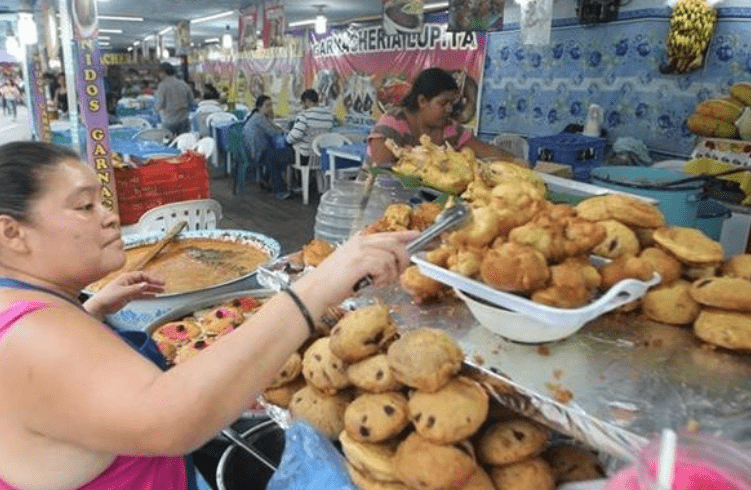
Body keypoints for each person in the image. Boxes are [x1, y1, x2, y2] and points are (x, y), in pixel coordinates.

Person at [0, 140, 417, 490]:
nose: (109, 216)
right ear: (11, 233)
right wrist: (315, 288)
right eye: (85, 207)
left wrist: (88, 312)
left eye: (101, 201)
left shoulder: (25, 307)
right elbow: (170, 421)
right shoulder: (32, 337)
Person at [368, 67, 524, 166]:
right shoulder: (393, 124)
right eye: (443, 103)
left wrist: (518, 162)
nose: (449, 109)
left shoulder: (449, 128)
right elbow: (381, 171)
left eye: (452, 103)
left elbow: (483, 150)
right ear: (422, 101)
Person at [242, 95, 292, 200]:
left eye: (271, 105)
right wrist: (285, 131)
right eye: (267, 105)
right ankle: (281, 189)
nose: (270, 108)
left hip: (256, 150)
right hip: (257, 151)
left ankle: (266, 179)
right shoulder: (259, 118)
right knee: (280, 156)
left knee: (275, 156)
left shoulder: (258, 116)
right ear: (259, 107)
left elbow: (274, 127)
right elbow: (273, 132)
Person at [286, 89, 335, 167]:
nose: (302, 106)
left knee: (280, 153)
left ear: (307, 101)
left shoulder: (304, 116)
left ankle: (292, 178)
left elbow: (294, 136)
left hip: (304, 156)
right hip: (321, 155)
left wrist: (287, 138)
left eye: (303, 103)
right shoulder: (329, 116)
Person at [154, 62, 194, 136]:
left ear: (163, 72)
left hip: (169, 120)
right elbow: (191, 100)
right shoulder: (183, 84)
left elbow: (159, 104)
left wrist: (155, 109)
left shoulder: (162, 86)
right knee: (184, 143)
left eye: (159, 73)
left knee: (168, 145)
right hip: (183, 119)